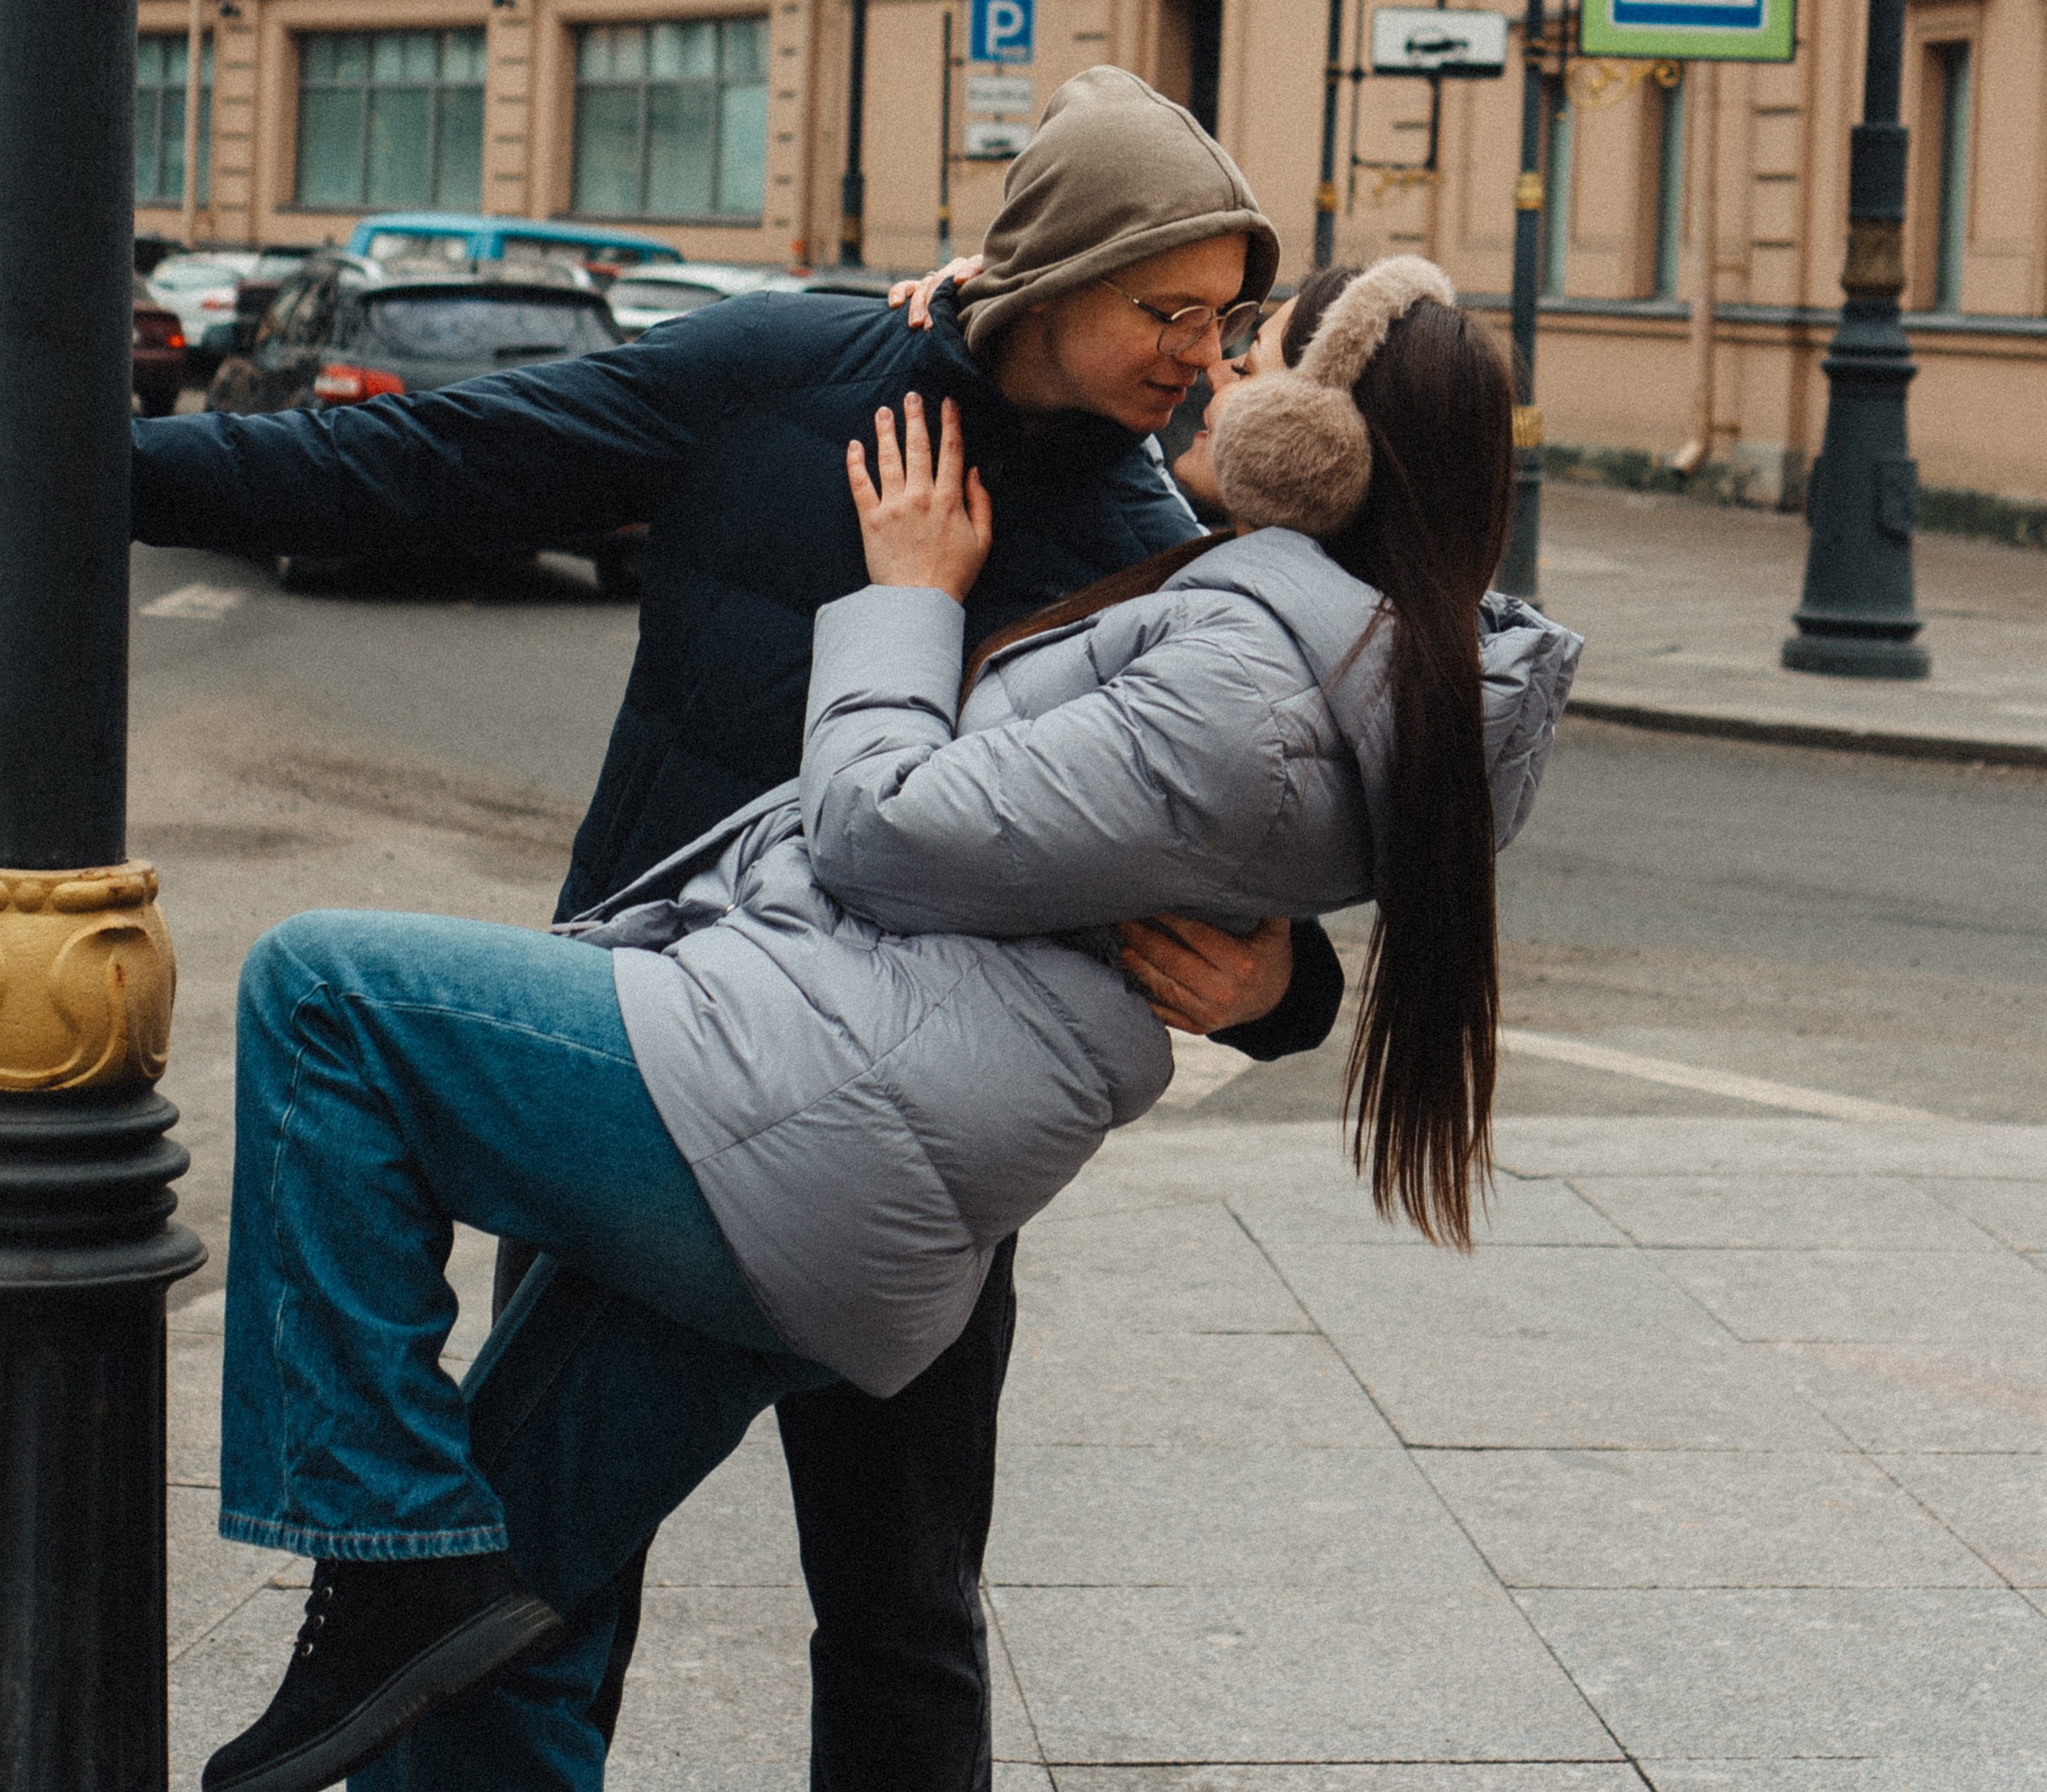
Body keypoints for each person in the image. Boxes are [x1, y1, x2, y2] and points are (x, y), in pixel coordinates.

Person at [199, 256, 1580, 1792]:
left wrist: (905, 606)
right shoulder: (916, 419)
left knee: (892, 1601)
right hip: (716, 1036)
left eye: (1233, 337)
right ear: (1052, 280)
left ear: (1315, 444)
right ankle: (409, 1585)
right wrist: (89, 459)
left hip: (834, 1114)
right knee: (513, 1600)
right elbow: (408, 463)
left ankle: (383, 1545)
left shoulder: (1174, 563)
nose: (1200, 363)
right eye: (1173, 316)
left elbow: (995, 818)